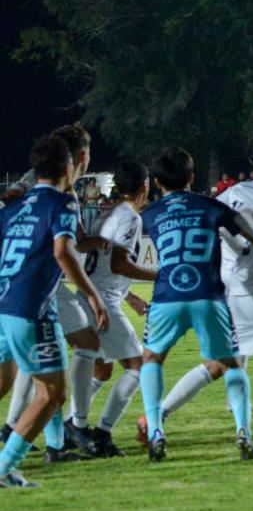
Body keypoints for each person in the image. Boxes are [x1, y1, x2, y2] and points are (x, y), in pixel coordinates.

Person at [135, 148, 253, 462]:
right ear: (192, 177)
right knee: (231, 364)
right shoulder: (209, 205)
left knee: (152, 359)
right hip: (209, 294)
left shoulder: (149, 214)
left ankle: (155, 429)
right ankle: (243, 432)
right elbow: (248, 232)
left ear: (156, 182)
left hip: (167, 294)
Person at [0, 137, 109, 488]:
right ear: (69, 166)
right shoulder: (62, 202)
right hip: (31, 308)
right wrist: (93, 297)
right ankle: (4, 468)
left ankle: (42, 450)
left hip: (5, 302)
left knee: (5, 383)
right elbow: (64, 250)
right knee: (51, 393)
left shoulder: (13, 206)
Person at [70, 161, 160, 458]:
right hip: (102, 301)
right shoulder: (130, 218)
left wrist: (129, 295)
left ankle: (73, 423)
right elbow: (119, 263)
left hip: (94, 294)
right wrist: (160, 274)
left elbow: (104, 265)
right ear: (144, 186)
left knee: (102, 368)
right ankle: (103, 432)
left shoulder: (108, 213)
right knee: (138, 366)